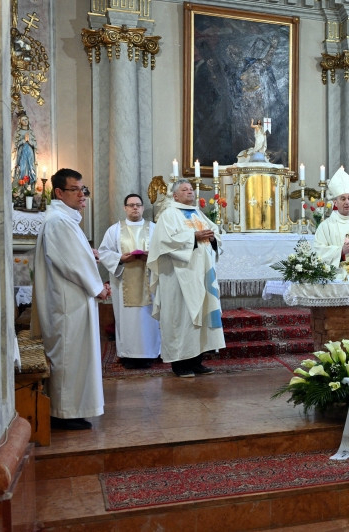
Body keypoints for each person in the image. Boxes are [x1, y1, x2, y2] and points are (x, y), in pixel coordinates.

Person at [33, 168, 109, 430]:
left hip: (73, 299)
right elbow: (72, 263)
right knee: (69, 355)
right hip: (68, 303)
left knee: (76, 356)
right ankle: (62, 412)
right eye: (75, 190)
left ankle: (70, 410)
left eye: (82, 189)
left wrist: (89, 253)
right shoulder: (59, 222)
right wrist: (98, 288)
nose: (82, 195)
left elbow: (74, 255)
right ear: (59, 192)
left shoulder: (63, 219)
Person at [147, 179, 225, 377]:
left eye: (191, 189)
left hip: (203, 274)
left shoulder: (197, 212)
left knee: (200, 316)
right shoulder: (168, 215)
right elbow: (164, 242)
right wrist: (194, 237)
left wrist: (212, 238)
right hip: (178, 276)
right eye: (184, 189)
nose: (190, 192)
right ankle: (179, 364)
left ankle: (197, 361)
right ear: (175, 195)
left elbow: (214, 234)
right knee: (181, 317)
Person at [98, 193, 161, 369]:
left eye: (138, 205)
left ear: (143, 208)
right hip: (123, 282)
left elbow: (163, 252)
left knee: (149, 319)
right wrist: (120, 258)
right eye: (131, 205)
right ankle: (128, 355)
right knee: (127, 319)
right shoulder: (114, 230)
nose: (135, 208)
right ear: (125, 208)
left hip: (149, 280)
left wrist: (150, 256)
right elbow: (104, 252)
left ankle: (150, 353)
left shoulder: (154, 228)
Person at [14, 112, 37, 183]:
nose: (25, 121)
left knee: (30, 166)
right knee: (23, 166)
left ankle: (30, 182)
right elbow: (16, 144)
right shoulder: (19, 132)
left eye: (26, 119)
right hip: (22, 151)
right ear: (20, 122)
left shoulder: (30, 132)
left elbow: (35, 144)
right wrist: (24, 140)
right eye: (23, 120)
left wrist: (29, 141)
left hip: (30, 151)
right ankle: (22, 182)